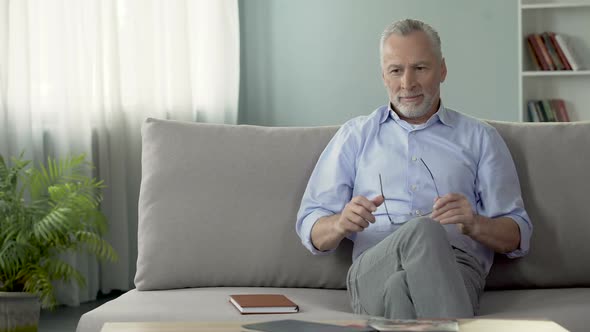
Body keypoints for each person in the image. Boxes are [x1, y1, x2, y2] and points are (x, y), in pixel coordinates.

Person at [296, 19, 532, 319]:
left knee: (399, 288)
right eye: (396, 70)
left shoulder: (480, 138)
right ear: (383, 75)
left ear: (442, 70)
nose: (408, 83)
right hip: (373, 268)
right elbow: (310, 226)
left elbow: (518, 235)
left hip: (456, 269)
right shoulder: (354, 136)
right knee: (421, 232)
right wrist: (341, 223)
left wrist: (474, 223)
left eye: (420, 68)